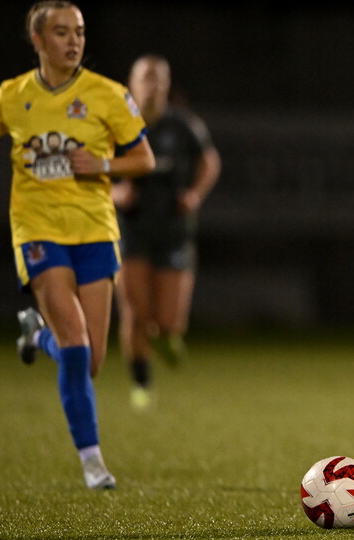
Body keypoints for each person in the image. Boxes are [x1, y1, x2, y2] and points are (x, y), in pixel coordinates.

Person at [0, 0, 155, 490]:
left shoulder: (108, 95)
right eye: (63, 32)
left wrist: (103, 166)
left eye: (81, 32)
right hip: (37, 230)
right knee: (74, 342)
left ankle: (34, 334)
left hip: (94, 229)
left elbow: (145, 160)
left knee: (89, 361)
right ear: (39, 41)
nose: (74, 41)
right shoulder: (11, 96)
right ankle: (93, 463)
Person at [111, 54, 221, 411]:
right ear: (131, 83)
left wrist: (195, 194)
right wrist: (115, 193)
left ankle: (169, 337)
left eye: (160, 78)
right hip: (131, 231)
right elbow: (89, 174)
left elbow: (210, 161)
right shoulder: (116, 126)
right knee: (136, 313)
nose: (153, 85)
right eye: (146, 78)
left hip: (174, 231)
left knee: (170, 322)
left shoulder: (183, 125)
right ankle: (141, 384)